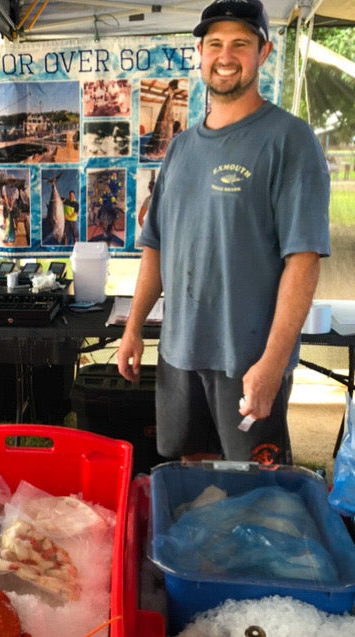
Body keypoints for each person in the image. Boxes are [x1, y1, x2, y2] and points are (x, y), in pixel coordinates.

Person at [116, 0, 329, 466]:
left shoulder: (289, 140)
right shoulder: (180, 148)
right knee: (185, 476)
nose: (225, 55)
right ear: (199, 52)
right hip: (178, 354)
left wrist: (272, 366)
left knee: (253, 493)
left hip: (247, 363)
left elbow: (303, 260)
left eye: (240, 44)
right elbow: (155, 246)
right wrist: (133, 329)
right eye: (215, 44)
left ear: (264, 52)